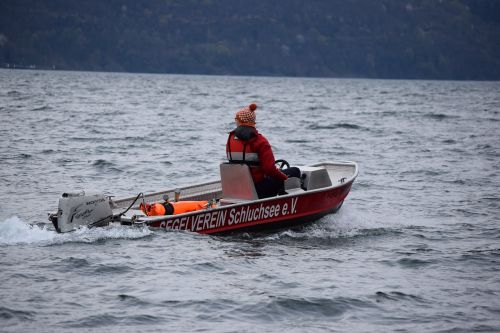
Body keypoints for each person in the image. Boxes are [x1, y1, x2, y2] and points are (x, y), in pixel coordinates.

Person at [226, 103, 301, 198]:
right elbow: (270, 169)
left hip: (237, 187)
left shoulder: (230, 139)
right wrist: (285, 178)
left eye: (236, 119)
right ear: (253, 122)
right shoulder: (260, 141)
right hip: (258, 189)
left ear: (238, 122)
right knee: (295, 171)